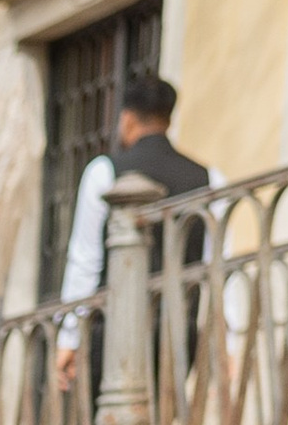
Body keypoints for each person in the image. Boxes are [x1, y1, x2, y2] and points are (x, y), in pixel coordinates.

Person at [57, 67, 216, 378]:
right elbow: (217, 264)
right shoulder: (208, 178)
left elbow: (85, 260)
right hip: (177, 336)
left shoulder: (103, 172)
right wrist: (231, 341)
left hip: (110, 336)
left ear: (127, 119)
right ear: (168, 121)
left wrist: (69, 337)